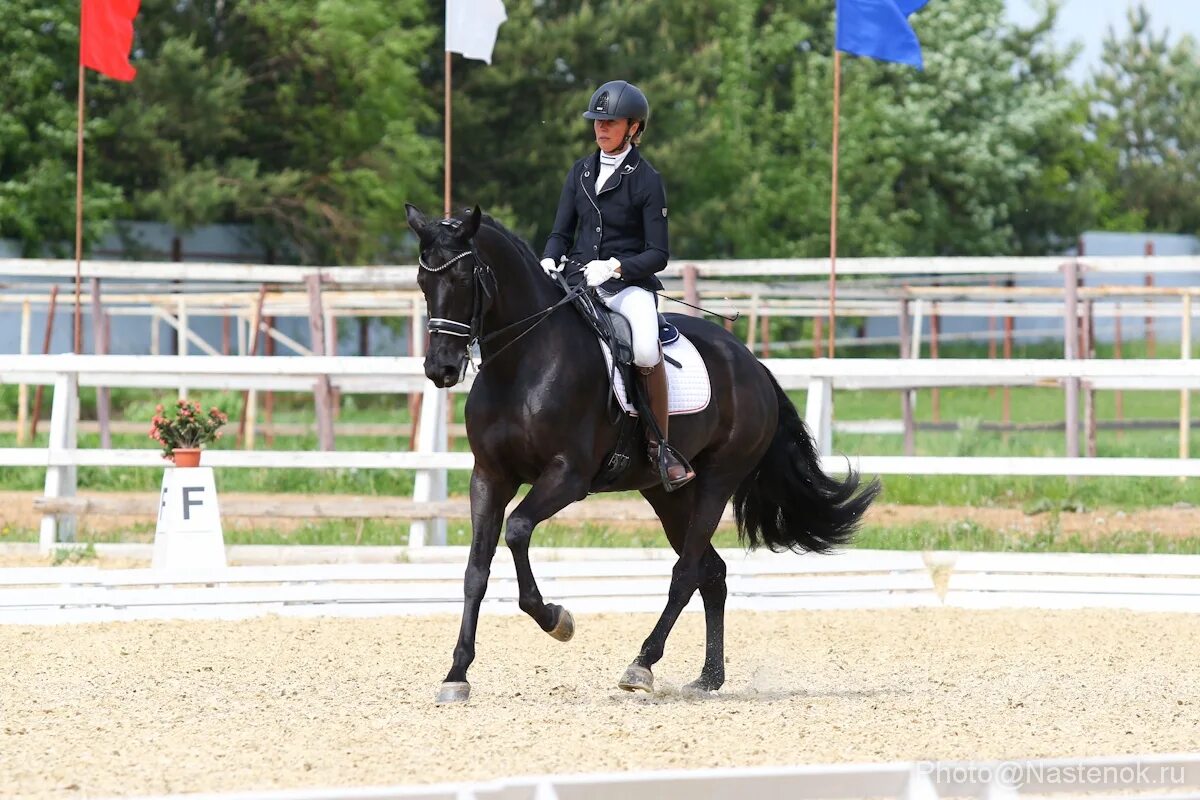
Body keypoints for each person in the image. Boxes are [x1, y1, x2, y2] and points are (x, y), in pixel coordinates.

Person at [540, 79, 694, 490]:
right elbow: (561, 231)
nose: (601, 128)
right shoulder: (580, 171)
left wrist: (616, 268)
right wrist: (549, 256)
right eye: (597, 121)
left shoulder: (646, 179)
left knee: (645, 347)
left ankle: (660, 446)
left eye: (611, 122)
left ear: (633, 128)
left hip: (627, 286)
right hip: (576, 280)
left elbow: (657, 253)